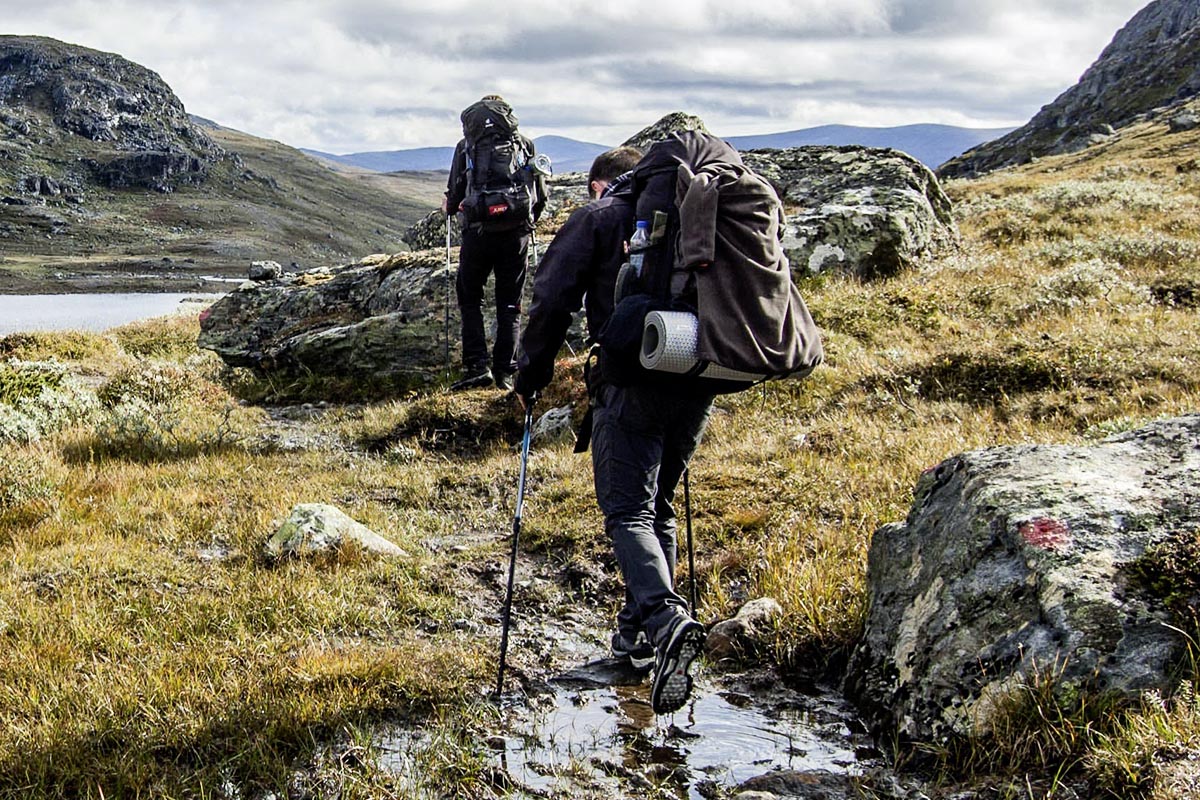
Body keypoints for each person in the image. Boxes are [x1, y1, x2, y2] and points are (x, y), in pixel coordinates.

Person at [514, 146, 712, 715]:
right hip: (697, 372)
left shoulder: (600, 216)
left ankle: (666, 621)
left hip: (632, 377)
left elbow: (550, 299)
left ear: (603, 183)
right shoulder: (697, 210)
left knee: (628, 511)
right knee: (658, 508)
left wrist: (531, 377)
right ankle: (638, 645)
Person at [443, 94, 546, 391]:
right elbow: (540, 195)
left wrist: (449, 207)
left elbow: (455, 193)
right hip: (515, 234)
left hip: (478, 234)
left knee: (470, 297)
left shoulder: (466, 146)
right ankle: (505, 373)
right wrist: (529, 223)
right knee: (510, 304)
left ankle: (477, 366)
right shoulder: (523, 144)